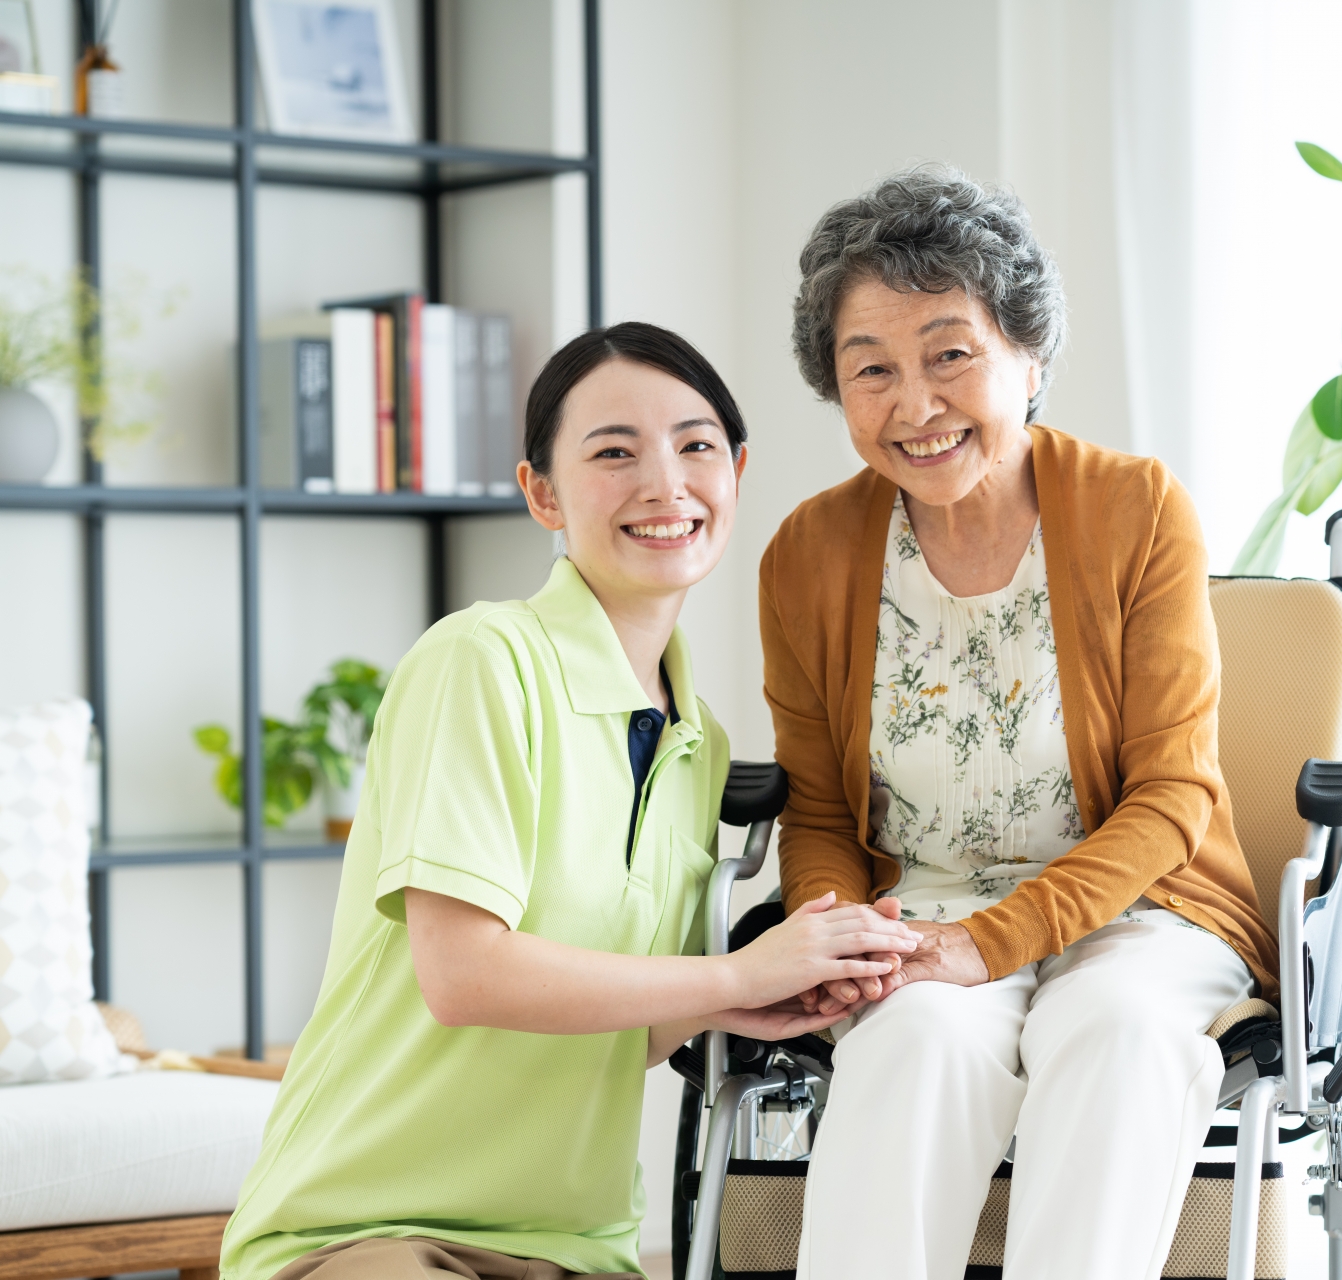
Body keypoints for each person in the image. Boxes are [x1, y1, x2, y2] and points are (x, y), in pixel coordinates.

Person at [220, 323, 918, 1280]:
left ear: (738, 470)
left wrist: (748, 1004)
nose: (665, 483)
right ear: (541, 492)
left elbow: (613, 1028)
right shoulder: (481, 662)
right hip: (365, 1232)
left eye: (695, 444)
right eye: (614, 453)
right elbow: (464, 976)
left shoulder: (696, 742)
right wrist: (733, 978)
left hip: (577, 1249)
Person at [760, 166, 1282, 1280]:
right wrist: (834, 924)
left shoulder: (1135, 507)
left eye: (952, 352)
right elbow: (814, 808)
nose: (915, 403)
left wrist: (985, 943)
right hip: (924, 915)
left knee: (1114, 1033)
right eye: (873, 370)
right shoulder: (805, 554)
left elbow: (1172, 796)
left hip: (1144, 910)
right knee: (909, 1040)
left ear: (1028, 357)